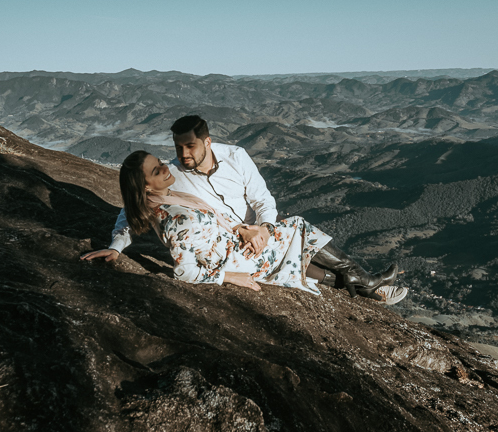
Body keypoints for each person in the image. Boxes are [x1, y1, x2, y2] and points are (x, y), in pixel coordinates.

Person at [82, 115, 406, 302]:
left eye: (189, 146)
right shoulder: (173, 176)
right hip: (231, 245)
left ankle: (367, 288)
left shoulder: (236, 156)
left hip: (253, 232)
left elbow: (263, 199)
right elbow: (133, 209)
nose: (182, 154)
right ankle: (367, 282)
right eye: (178, 147)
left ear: (207, 142)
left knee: (295, 255)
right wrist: (116, 247)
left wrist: (263, 230)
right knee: (298, 233)